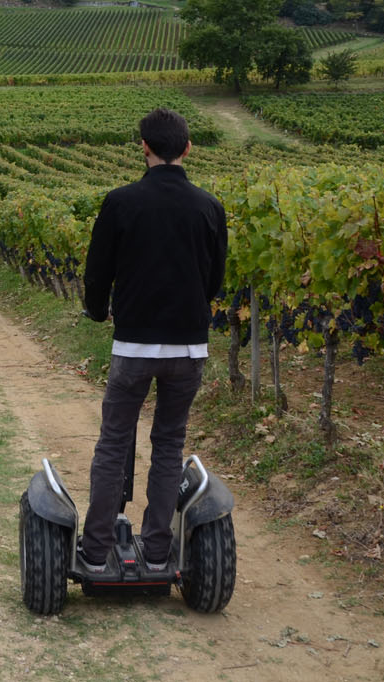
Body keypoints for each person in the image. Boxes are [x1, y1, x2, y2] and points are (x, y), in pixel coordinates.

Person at [77, 107, 227, 580]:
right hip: (188, 349)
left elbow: (97, 273)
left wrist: (100, 311)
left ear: (143, 147)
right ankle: (159, 551)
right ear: (187, 149)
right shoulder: (209, 207)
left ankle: (97, 551)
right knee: (168, 444)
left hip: (135, 347)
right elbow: (215, 281)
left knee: (114, 441)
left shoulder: (120, 202)